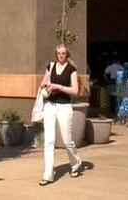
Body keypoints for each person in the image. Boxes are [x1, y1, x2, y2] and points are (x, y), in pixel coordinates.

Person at [38, 44, 83, 185]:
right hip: (50, 105)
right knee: (49, 140)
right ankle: (48, 174)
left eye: (63, 53)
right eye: (59, 53)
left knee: (67, 140)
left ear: (67, 55)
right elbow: (42, 83)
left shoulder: (71, 70)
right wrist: (47, 84)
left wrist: (60, 87)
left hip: (64, 106)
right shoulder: (50, 66)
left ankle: (76, 163)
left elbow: (75, 91)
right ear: (56, 54)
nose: (61, 56)